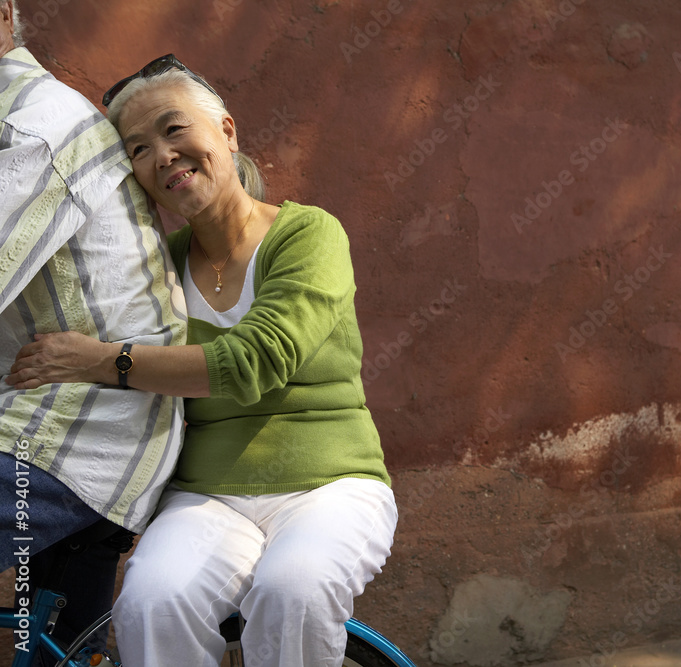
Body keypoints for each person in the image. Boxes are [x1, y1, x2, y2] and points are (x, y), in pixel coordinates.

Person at [8, 53, 397, 667]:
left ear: (227, 131)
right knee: (150, 602)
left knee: (293, 589)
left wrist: (104, 360)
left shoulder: (308, 234)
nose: (161, 155)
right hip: (207, 496)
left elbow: (256, 361)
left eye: (173, 129)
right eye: (136, 149)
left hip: (331, 487)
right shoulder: (159, 266)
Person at [0, 0, 187, 656]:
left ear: (4, 17)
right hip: (59, 429)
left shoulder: (40, 127)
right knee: (58, 646)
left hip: (79, 439)